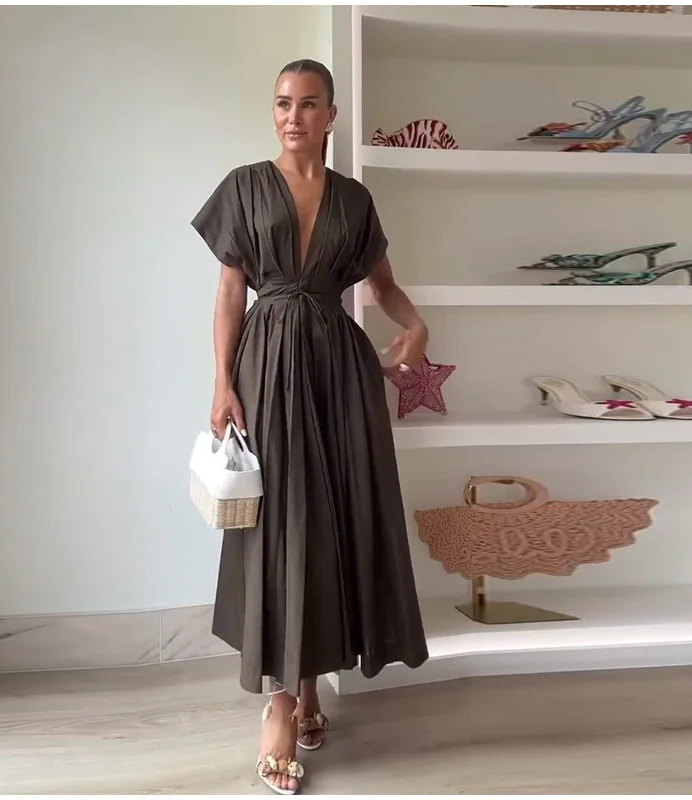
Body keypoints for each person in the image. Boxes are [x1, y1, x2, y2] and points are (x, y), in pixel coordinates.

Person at [191, 58, 429, 795]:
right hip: (266, 366)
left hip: (339, 371)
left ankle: (310, 682)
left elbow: (383, 287)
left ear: (330, 116)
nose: (292, 116)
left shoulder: (355, 200)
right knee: (282, 524)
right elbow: (229, 293)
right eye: (282, 103)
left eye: (308, 104)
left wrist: (417, 326)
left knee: (338, 521)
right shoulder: (243, 186)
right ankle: (281, 702)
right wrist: (223, 381)